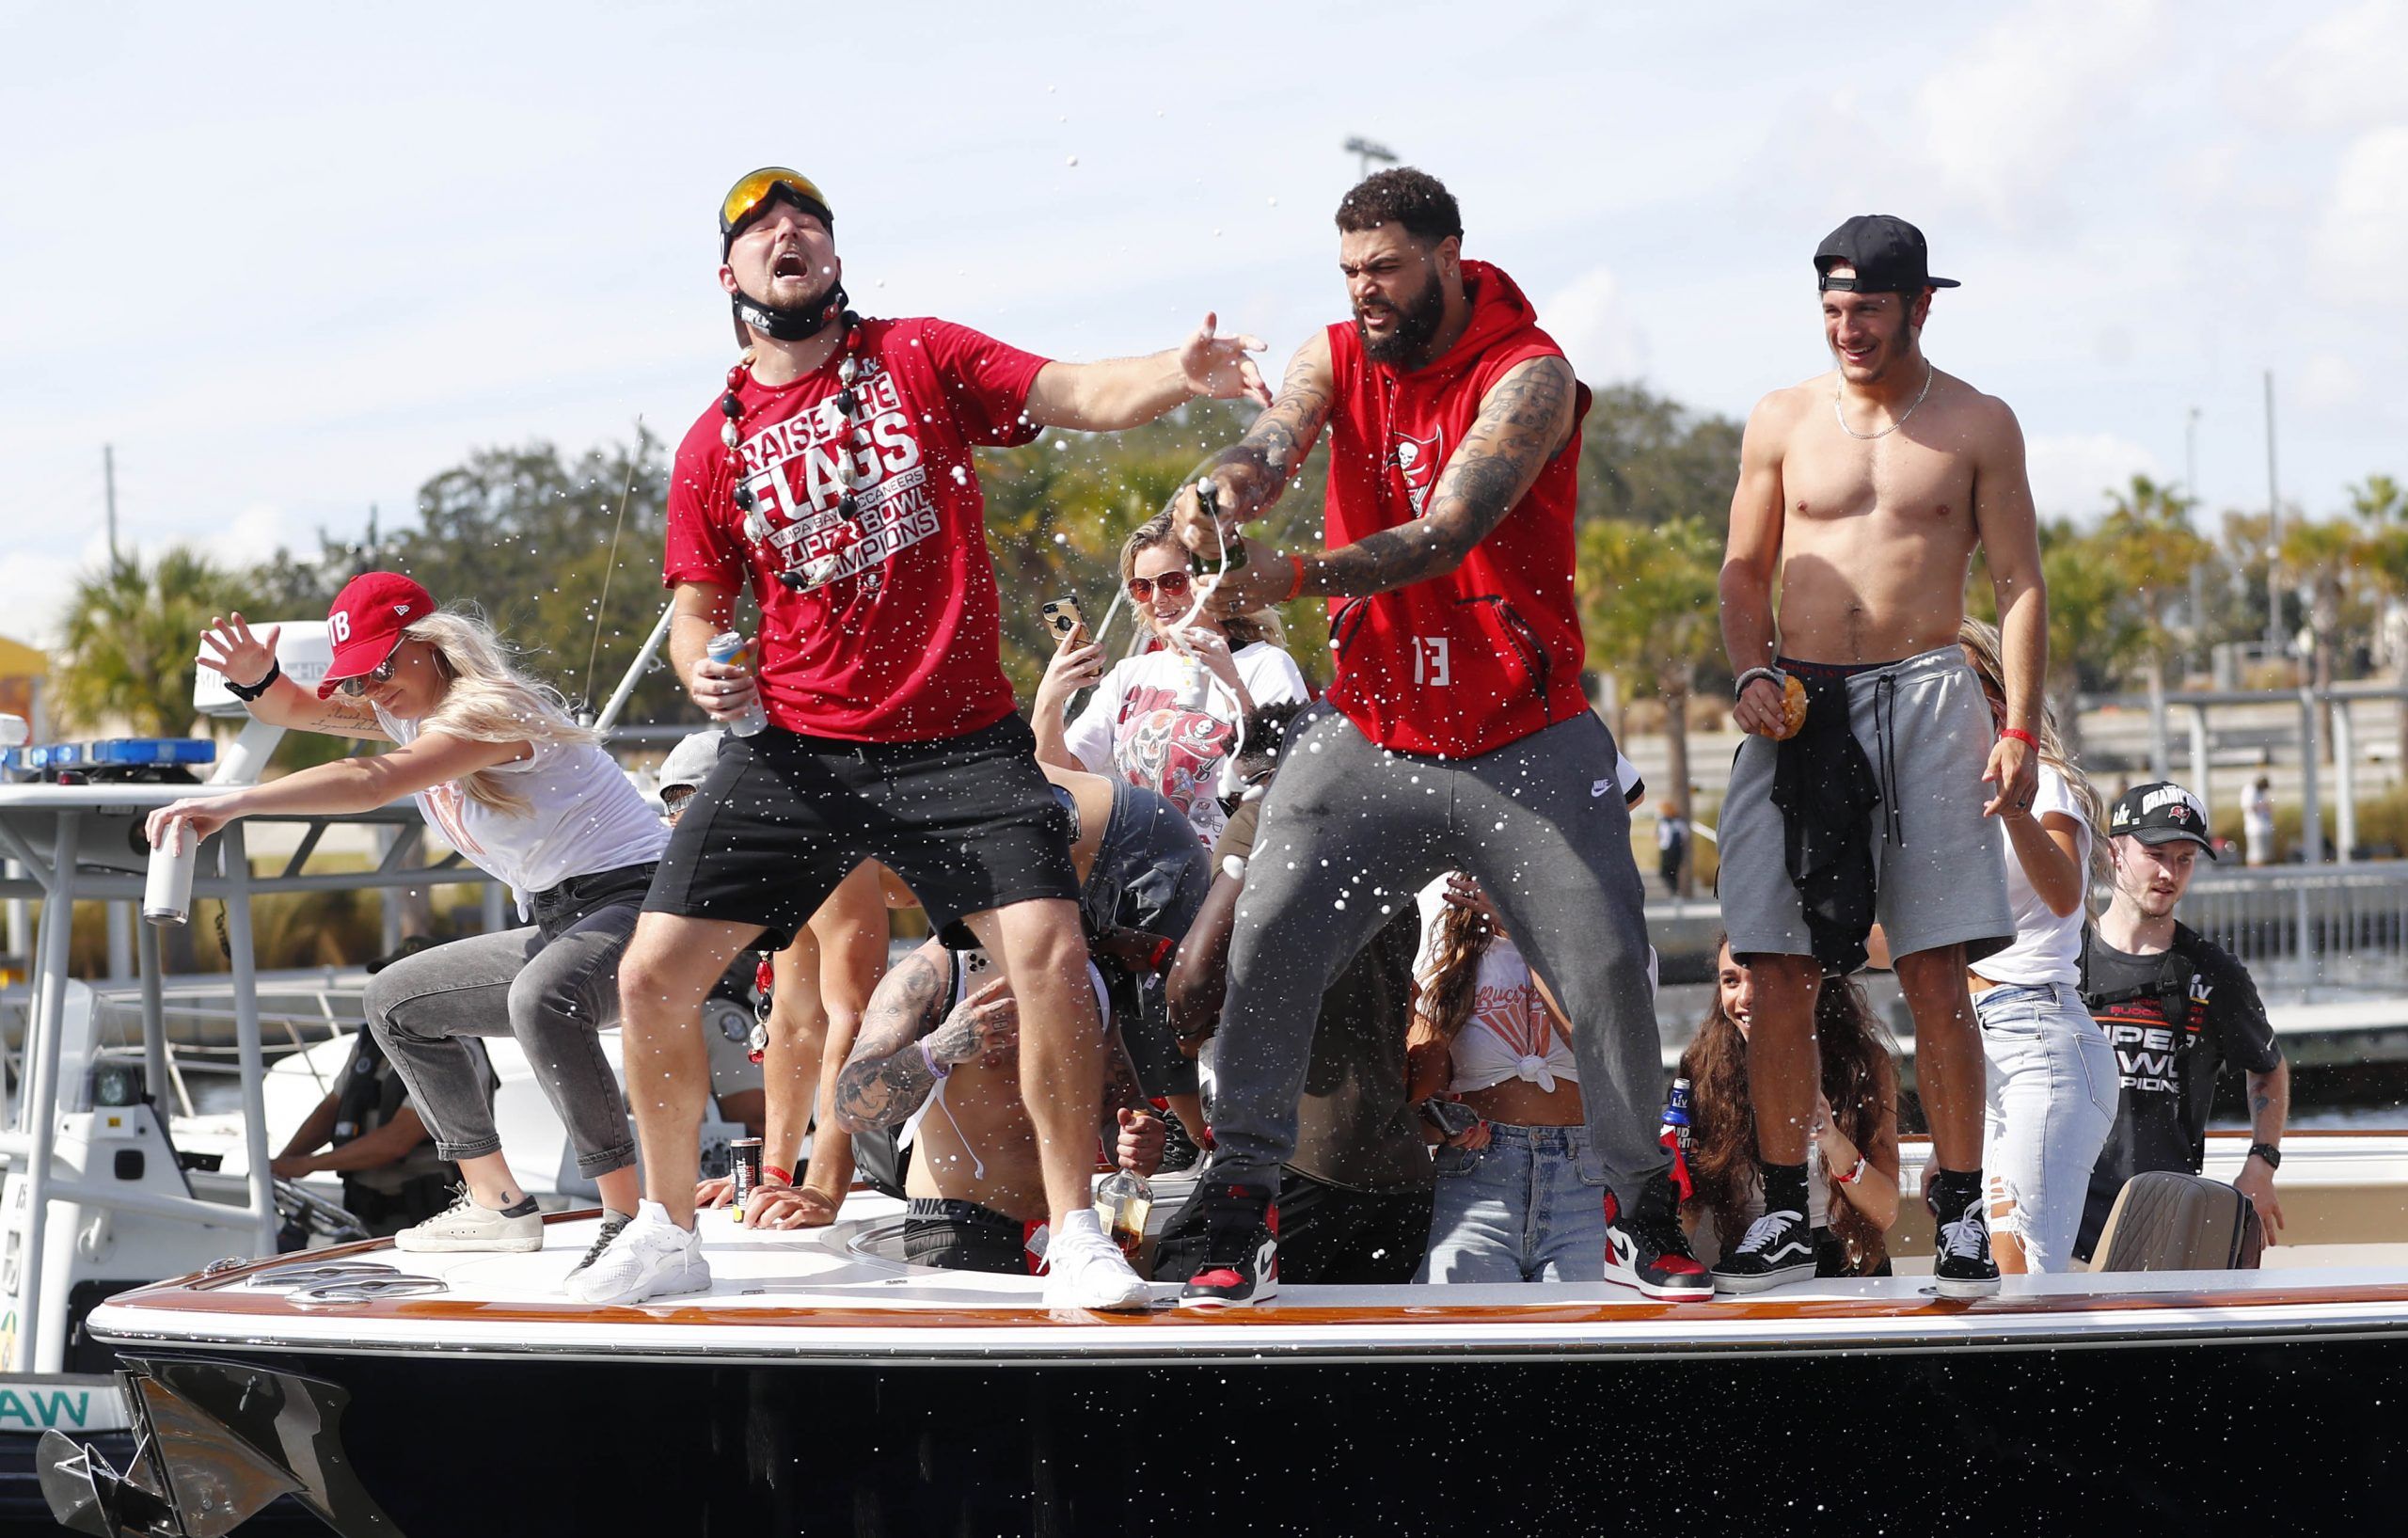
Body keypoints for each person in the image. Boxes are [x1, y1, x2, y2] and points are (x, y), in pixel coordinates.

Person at [578, 167, 1271, 1309]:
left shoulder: (918, 358)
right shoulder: (713, 442)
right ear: (729, 277)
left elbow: (1074, 388)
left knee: (1045, 954)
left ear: (835, 259)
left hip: (959, 744)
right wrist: (710, 664)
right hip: (797, 749)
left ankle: (1078, 1234)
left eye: (808, 221)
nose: (788, 234)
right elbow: (701, 606)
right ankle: (662, 1224)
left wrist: (1175, 376)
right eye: (760, 229)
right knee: (651, 973)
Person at [1167, 166, 1703, 1306]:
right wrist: (1213, 497)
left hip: (1523, 735)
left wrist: (1296, 576)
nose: (1365, 291)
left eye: (1388, 268)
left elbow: (1449, 528)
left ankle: (1640, 1213)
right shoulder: (1334, 350)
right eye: (1351, 270)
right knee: (1264, 938)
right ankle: (1238, 1203)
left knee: (1606, 966)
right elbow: (1269, 445)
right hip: (1372, 733)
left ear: (1450, 255)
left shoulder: (1532, 375)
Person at [1714, 214, 2044, 1296]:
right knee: (1775, 964)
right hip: (1797, 701)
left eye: (1867, 309)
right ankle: (1777, 1215)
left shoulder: (1977, 423)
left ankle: (1956, 1212)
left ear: (1918, 306)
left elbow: (2019, 585)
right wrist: (1750, 671)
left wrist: (2021, 728)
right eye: (1832, 310)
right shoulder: (1780, 418)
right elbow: (1741, 571)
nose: (1847, 329)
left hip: (1925, 695)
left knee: (1935, 964)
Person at [150, 578, 662, 1270]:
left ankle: (629, 1220)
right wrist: (257, 678)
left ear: (429, 643)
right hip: (560, 917)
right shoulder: (405, 714)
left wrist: (233, 802)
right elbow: (295, 708)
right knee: (395, 1000)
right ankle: (499, 1204)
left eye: (381, 666)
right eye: (357, 677)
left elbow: (370, 783)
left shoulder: (491, 709)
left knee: (541, 999)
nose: (372, 689)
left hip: (644, 904)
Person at [1159, 703, 1434, 1285]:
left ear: (1249, 769)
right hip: (1397, 1175)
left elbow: (1194, 978)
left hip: (1299, 1162)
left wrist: (1184, 1031)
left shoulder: (1262, 817)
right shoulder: (1385, 836)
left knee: (1179, 1295)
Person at [656, 729, 893, 1230]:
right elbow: (795, 1022)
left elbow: (854, 1023)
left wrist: (824, 1188)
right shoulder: (783, 856)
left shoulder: (828, 836)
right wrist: (774, 1176)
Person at [830, 941, 1165, 1275]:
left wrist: (1133, 1135)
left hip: (1066, 1230)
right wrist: (936, 1051)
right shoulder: (932, 974)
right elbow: (849, 1106)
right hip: (959, 1227)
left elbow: (1117, 1100)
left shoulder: (1082, 969)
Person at [1956, 619, 2118, 1273]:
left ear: (2000, 695)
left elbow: (2063, 893)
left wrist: (2014, 804)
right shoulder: (1952, 799)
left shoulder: (2042, 783)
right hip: (1983, 1052)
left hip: (2041, 1043)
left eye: (1962, 681)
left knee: (2027, 1277)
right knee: (2001, 1275)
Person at [2075, 782, 2288, 1261]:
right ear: (2114, 852)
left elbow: (2268, 1066)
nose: (2169, 873)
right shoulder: (2061, 957)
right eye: (2155, 854)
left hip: (2161, 1218)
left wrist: (2261, 1164)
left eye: (2185, 859)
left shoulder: (2213, 973)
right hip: (2055, 1214)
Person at [1035, 511, 1310, 849]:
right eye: (1142, 587)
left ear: (1210, 581)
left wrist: (1230, 683)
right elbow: (1061, 780)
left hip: (1230, 870)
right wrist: (1049, 698)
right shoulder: (1130, 674)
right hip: (1141, 877)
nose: (1157, 599)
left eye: (1172, 582)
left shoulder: (1266, 664)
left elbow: (1281, 785)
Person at [1405, 873, 1609, 1283]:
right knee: (1469, 1339)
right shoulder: (1444, 947)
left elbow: (1598, 1050)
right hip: (1475, 1177)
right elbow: (1420, 1098)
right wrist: (1444, 1123)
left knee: (1581, 1340)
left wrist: (1524, 930)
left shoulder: (1600, 933)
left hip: (1583, 1181)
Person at [1681, 940, 1901, 1278]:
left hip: (1848, 1264)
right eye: (1731, 981)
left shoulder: (1863, 1063)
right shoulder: (1704, 1070)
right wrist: (1679, 1173)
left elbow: (1885, 1212)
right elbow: (1689, 1215)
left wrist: (1833, 1140)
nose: (1745, 998)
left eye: (1763, 979)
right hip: (1751, 1263)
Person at [269, 1026, 452, 1238]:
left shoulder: (450, 1048)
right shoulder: (373, 1040)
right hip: (362, 1211)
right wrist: (283, 1163)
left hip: (425, 1219)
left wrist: (306, 1165)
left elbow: (397, 1141)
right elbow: (333, 1108)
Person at [1656, 801, 1690, 897]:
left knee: (1666, 872)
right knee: (1672, 873)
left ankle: (1674, 892)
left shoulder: (1665, 823)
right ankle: (1675, 892)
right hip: (1677, 850)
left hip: (1669, 851)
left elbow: (1662, 838)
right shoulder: (1679, 822)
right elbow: (1685, 835)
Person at [2242, 776, 2276, 867]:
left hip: (2265, 829)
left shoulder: (2261, 792)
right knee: (2255, 856)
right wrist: (2264, 806)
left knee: (2266, 857)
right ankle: (2255, 876)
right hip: (2255, 830)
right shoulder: (2250, 790)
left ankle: (2264, 877)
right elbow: (2248, 807)